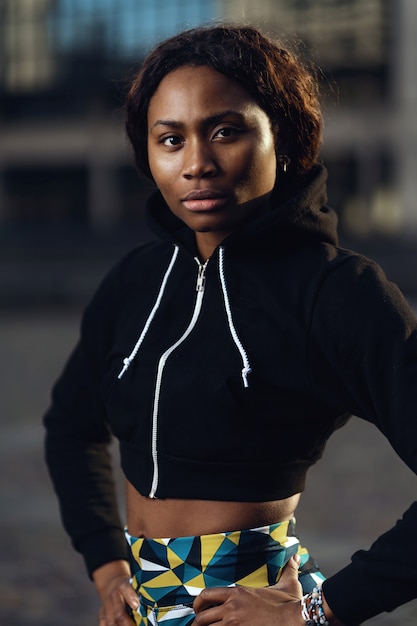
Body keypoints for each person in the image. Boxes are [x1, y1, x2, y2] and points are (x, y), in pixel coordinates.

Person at [43, 24, 417, 626]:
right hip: (142, 604)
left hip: (253, 607)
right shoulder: (135, 280)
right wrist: (107, 565)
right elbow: (70, 426)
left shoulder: (337, 292)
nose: (197, 164)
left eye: (226, 131)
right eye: (170, 139)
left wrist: (324, 610)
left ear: (285, 139)